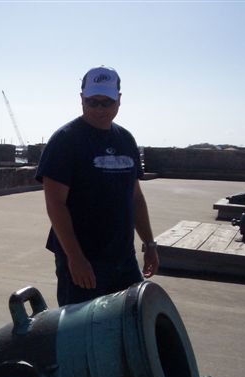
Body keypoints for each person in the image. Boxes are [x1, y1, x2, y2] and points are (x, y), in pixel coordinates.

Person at [36, 65, 159, 307]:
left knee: (129, 321)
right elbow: (55, 204)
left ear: (119, 100)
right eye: (92, 102)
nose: (100, 109)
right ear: (81, 99)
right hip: (84, 260)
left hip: (123, 258)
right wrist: (75, 258)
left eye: (107, 102)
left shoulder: (126, 140)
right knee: (82, 326)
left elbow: (135, 197)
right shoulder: (65, 140)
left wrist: (149, 243)